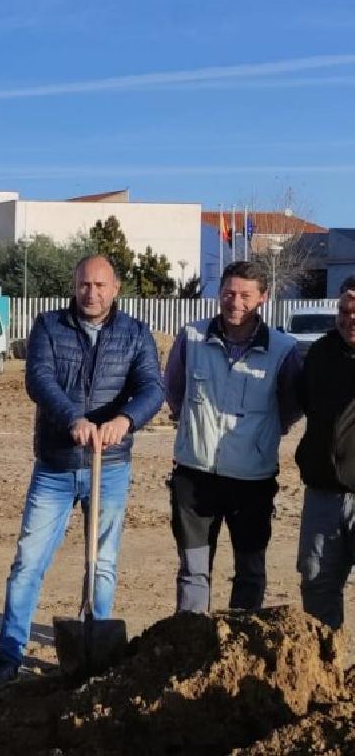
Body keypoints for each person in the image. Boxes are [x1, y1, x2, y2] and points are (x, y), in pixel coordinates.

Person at [0, 255, 163, 688]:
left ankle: (95, 653)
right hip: (56, 466)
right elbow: (39, 379)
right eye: (83, 285)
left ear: (115, 288)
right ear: (74, 286)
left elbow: (152, 387)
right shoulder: (49, 326)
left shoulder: (135, 334)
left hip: (110, 467)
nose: (91, 293)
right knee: (28, 562)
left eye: (100, 285)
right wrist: (72, 418)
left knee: (103, 563)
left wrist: (125, 421)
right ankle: (8, 656)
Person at [164, 259, 301, 615]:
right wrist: (191, 428)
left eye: (244, 295)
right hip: (195, 476)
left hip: (252, 480)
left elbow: (290, 405)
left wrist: (266, 434)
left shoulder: (283, 350)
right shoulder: (191, 337)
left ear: (262, 298)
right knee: (193, 570)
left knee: (250, 570)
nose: (235, 302)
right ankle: (192, 647)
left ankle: (239, 645)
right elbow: (174, 391)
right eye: (228, 293)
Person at [295, 275, 355, 628]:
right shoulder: (320, 354)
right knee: (317, 587)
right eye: (344, 311)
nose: (350, 319)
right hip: (324, 497)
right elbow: (304, 403)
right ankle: (325, 676)